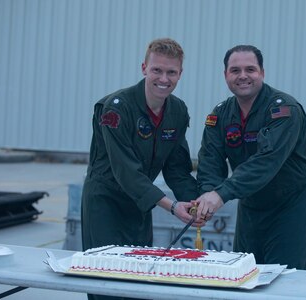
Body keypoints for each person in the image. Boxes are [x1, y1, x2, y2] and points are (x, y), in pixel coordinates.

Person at [81, 38, 200, 300]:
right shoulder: (115, 109)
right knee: (107, 284)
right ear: (144, 67)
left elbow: (177, 167)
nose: (163, 78)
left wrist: (194, 201)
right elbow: (126, 172)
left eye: (171, 72)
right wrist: (172, 206)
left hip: (140, 206)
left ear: (180, 74)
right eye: (157, 70)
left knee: (138, 282)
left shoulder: (177, 111)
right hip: (106, 204)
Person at [195, 45, 306, 270]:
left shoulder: (284, 110)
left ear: (262, 73)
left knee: (286, 279)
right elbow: (210, 159)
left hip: (291, 206)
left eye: (250, 69)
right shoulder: (220, 114)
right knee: (246, 274)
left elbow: (267, 161)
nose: (243, 76)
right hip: (251, 206)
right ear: (225, 75)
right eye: (235, 70)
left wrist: (221, 194)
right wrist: (207, 195)